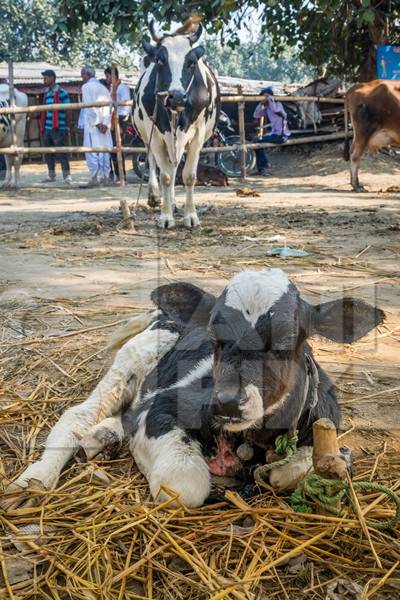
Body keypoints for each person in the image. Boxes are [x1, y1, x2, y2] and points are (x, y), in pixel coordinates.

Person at [80, 65, 112, 187]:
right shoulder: (103, 88)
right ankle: (105, 177)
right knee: (104, 151)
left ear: (86, 75)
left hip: (93, 125)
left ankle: (94, 178)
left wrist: (98, 123)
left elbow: (89, 106)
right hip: (104, 125)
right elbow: (109, 108)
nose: (82, 77)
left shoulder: (86, 87)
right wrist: (105, 123)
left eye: (82, 75)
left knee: (91, 150)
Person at [40, 69, 72, 184]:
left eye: (45, 78)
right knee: (48, 152)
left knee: (62, 152)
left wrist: (67, 126)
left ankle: (67, 176)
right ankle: (51, 175)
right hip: (47, 127)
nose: (44, 80)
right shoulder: (47, 92)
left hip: (59, 127)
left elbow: (68, 111)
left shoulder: (62, 92)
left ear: (52, 78)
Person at [253, 86, 290, 176]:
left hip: (282, 135)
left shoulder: (278, 105)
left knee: (258, 142)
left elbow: (274, 109)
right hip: (275, 134)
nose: (265, 100)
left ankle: (264, 165)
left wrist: (269, 99)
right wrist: (261, 104)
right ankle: (261, 168)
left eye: (265, 97)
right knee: (256, 143)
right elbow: (256, 115)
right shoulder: (267, 108)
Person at [104, 66, 131, 184]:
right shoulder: (112, 88)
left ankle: (122, 176)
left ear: (113, 76)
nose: (107, 79)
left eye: (108, 76)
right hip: (113, 120)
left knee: (118, 148)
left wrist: (120, 120)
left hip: (120, 120)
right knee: (112, 149)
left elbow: (125, 105)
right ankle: (117, 175)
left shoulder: (122, 88)